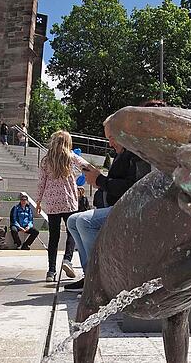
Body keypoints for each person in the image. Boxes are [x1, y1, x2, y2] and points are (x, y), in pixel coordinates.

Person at [64, 122, 149, 291]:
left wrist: (100, 180)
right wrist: (98, 180)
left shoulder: (135, 154)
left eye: (112, 138)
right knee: (73, 220)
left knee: (84, 222)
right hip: (117, 206)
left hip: (130, 209)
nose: (110, 143)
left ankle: (100, 278)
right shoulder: (121, 154)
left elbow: (134, 186)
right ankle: (90, 274)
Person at [37, 131, 89, 282]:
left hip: (52, 203)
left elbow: (41, 182)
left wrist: (39, 201)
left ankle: (51, 271)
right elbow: (85, 165)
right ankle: (67, 259)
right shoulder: (71, 157)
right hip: (68, 201)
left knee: (53, 236)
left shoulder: (46, 160)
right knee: (71, 232)